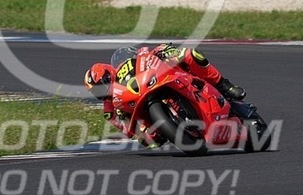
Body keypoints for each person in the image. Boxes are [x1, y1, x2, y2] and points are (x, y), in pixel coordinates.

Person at [83, 43, 246, 147]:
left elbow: (142, 56)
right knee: (148, 138)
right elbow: (126, 129)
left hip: (153, 78)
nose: (102, 91)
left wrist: (164, 51)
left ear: (109, 74)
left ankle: (224, 85)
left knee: (189, 54)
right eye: (97, 91)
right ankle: (173, 127)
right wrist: (140, 134)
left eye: (103, 84)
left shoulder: (122, 66)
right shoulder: (110, 109)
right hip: (144, 112)